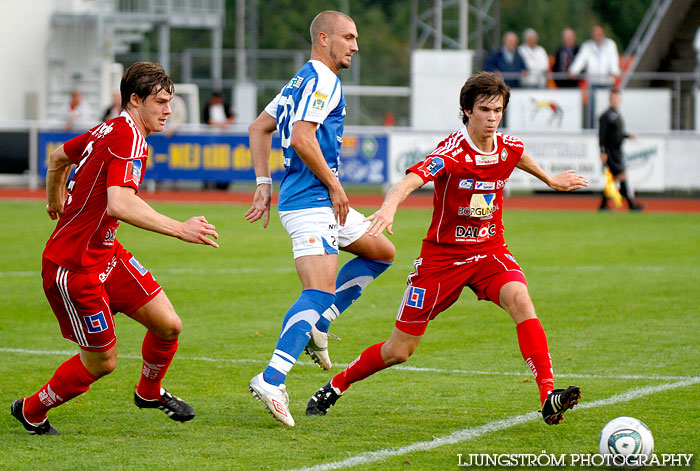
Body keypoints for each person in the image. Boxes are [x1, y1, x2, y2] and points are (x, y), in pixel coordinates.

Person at [306, 72, 588, 426]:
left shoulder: (508, 146)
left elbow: (517, 157)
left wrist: (549, 179)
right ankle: (336, 385)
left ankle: (548, 394)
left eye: (498, 110)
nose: (492, 117)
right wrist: (390, 206)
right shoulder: (451, 152)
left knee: (520, 299)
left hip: (489, 252)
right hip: (442, 261)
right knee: (399, 351)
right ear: (467, 111)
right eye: (484, 110)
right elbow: (408, 181)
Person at [10, 62, 219, 436]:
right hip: (74, 268)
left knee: (168, 326)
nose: (168, 110)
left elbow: (58, 157)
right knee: (102, 362)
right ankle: (31, 410)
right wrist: (180, 229)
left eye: (169, 101)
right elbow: (119, 204)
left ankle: (148, 393)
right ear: (135, 100)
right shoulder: (128, 137)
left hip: (106, 254)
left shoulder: (113, 127)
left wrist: (55, 197)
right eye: (160, 101)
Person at [245, 10, 395, 427]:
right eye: (348, 37)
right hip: (311, 201)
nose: (355, 45)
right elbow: (301, 137)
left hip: (318, 200)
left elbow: (260, 127)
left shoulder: (300, 80)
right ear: (324, 38)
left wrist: (262, 181)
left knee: (382, 252)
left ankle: (320, 325)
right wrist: (335, 184)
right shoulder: (324, 80)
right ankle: (272, 379)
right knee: (317, 290)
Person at [598, 89, 642, 211]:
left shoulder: (616, 114)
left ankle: (605, 205)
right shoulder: (606, 116)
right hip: (611, 152)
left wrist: (628, 135)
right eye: (614, 98)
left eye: (617, 98)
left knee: (617, 178)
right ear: (610, 99)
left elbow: (618, 134)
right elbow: (602, 135)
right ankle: (631, 204)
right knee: (621, 176)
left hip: (617, 151)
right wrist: (602, 151)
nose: (616, 100)